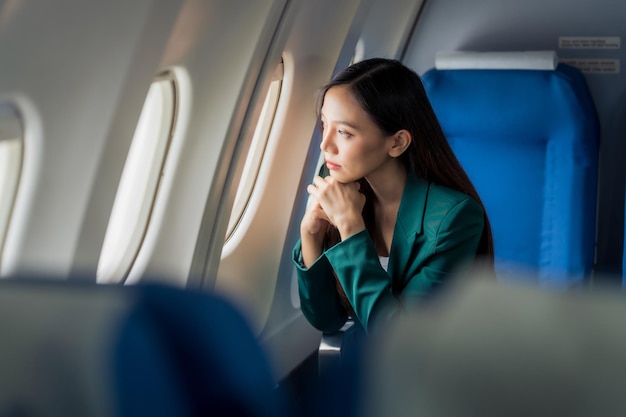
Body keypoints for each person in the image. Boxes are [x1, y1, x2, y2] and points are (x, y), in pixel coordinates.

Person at [292, 58, 494, 338]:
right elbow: (327, 320)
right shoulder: (341, 185)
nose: (325, 145)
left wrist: (351, 228)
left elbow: (399, 339)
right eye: (324, 125)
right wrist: (310, 236)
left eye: (344, 132)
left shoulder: (455, 219)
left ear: (397, 142)